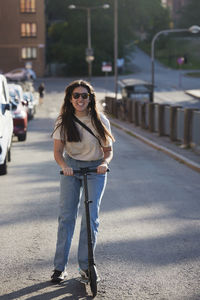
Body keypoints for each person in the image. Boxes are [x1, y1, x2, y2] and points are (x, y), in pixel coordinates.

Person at [51, 79, 115, 283]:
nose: (80, 99)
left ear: (90, 98)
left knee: (90, 218)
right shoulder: (63, 120)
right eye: (76, 95)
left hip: (95, 169)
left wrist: (104, 163)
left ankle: (86, 267)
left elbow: (108, 151)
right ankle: (59, 268)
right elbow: (58, 152)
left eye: (84, 96)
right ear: (70, 99)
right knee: (66, 217)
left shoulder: (100, 120)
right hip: (71, 167)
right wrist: (64, 166)